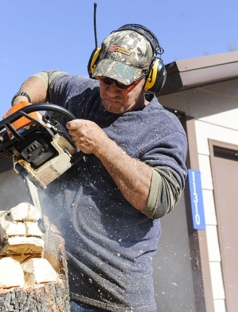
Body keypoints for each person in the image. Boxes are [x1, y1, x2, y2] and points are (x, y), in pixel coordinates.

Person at [11, 24, 188, 312]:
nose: (111, 91)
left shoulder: (164, 128)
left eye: (124, 83)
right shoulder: (83, 94)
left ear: (149, 78)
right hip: (56, 282)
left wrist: (103, 146)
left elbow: (159, 199)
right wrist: (22, 102)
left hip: (116, 297)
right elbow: (47, 78)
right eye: (106, 80)